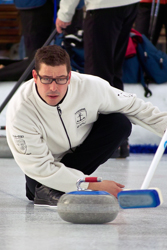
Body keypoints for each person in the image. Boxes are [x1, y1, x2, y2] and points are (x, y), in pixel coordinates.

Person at [6, 45, 167, 206]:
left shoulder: (89, 87)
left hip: (79, 155)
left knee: (119, 123)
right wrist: (93, 185)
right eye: (46, 79)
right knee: (38, 187)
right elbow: (41, 168)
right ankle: (46, 189)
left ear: (69, 76)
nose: (53, 88)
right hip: (43, 169)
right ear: (35, 76)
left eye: (61, 79)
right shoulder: (21, 110)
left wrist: (164, 126)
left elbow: (133, 106)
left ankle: (54, 188)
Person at [56, 0, 140, 158]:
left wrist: (64, 14)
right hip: (129, 4)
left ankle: (108, 141)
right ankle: (120, 141)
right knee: (113, 71)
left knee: (98, 77)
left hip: (103, 6)